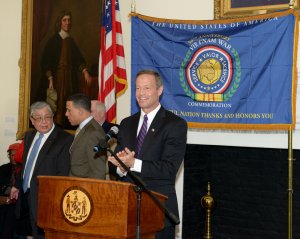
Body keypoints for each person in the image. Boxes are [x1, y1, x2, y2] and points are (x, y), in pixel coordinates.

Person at [108, 69, 187, 239]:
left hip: (158, 210)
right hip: (127, 210)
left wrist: (133, 163)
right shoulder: (127, 123)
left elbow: (169, 169)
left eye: (146, 88)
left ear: (159, 90)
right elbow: (117, 164)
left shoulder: (175, 125)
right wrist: (119, 167)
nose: (141, 93)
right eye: (137, 88)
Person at [10, 101, 73, 239]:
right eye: (39, 118)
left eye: (48, 117)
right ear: (32, 120)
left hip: (45, 201)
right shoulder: (29, 136)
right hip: (25, 198)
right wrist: (17, 185)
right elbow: (27, 165)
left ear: (53, 117)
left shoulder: (65, 139)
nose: (44, 122)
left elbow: (63, 174)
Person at [39, 10, 92, 129]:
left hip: (69, 78)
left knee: (70, 100)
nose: (67, 23)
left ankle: (67, 125)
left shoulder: (71, 41)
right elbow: (46, 62)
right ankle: (56, 126)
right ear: (60, 23)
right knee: (57, 102)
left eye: (69, 20)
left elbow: (78, 59)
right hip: (57, 77)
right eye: (64, 20)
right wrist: (50, 79)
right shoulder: (54, 41)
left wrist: (85, 71)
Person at [65, 93, 107, 179]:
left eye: (69, 110)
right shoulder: (83, 128)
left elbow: (98, 172)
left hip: (84, 190)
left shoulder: (94, 133)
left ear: (80, 111)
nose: (66, 114)